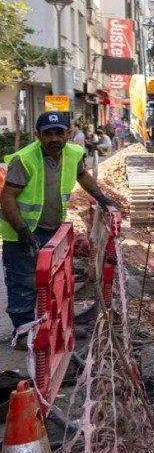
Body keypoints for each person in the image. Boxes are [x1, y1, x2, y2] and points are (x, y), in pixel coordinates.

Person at [1, 112, 117, 339]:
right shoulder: (24, 159)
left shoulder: (73, 153)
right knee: (23, 284)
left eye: (59, 133)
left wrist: (102, 198)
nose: (54, 138)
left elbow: (82, 175)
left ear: (68, 134)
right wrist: (23, 232)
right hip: (21, 232)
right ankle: (23, 335)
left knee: (56, 283)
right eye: (48, 134)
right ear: (38, 135)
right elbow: (7, 197)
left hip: (53, 231)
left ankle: (55, 332)